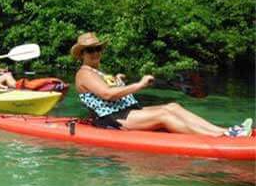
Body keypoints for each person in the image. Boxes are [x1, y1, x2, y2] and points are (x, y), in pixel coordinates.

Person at [72, 32, 252, 137]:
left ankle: (226, 131)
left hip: (127, 112)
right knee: (164, 117)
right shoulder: (84, 74)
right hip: (113, 119)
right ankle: (218, 137)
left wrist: (119, 80)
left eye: (97, 49)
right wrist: (140, 84)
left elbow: (109, 89)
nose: (95, 53)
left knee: (173, 106)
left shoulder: (98, 72)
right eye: (89, 50)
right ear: (82, 55)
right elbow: (107, 95)